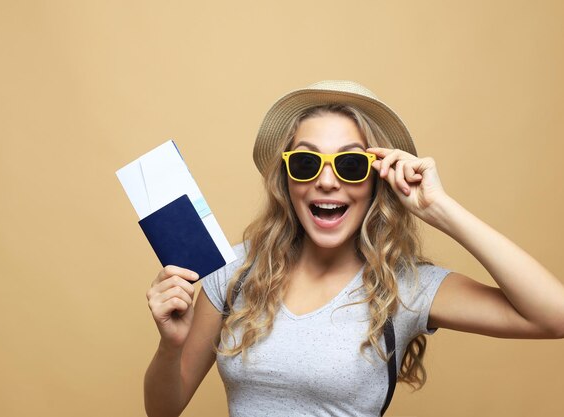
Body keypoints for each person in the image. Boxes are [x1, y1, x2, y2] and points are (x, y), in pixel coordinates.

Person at [143, 80, 564, 417]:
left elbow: (554, 315)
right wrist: (170, 345)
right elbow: (163, 410)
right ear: (287, 180)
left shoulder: (406, 287)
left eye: (350, 164)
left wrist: (440, 209)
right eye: (307, 163)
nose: (327, 182)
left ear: (377, 179)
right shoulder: (232, 271)